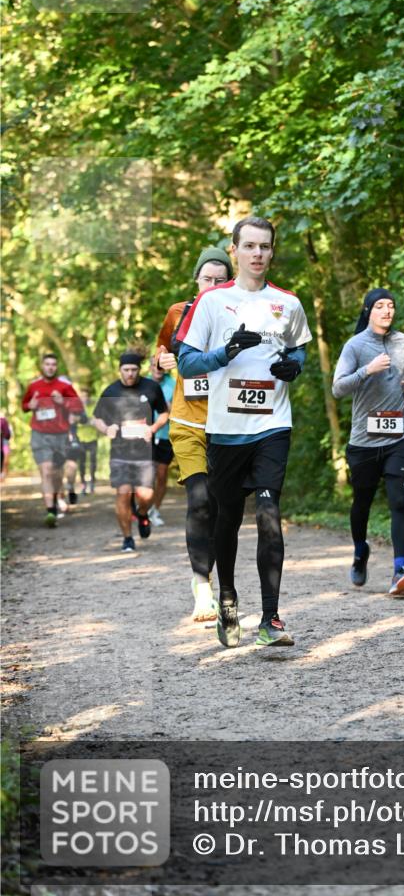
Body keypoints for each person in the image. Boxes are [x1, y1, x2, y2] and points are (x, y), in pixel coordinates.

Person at [177, 216, 312, 647]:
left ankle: (270, 619)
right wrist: (227, 352)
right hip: (225, 431)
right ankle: (229, 600)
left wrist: (294, 366)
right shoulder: (213, 302)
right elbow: (187, 362)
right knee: (228, 520)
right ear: (234, 251)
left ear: (273, 251)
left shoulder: (288, 303)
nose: (258, 254)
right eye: (250, 246)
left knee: (270, 516)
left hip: (273, 424)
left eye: (265, 246)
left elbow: (298, 349)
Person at [154, 245, 233, 621]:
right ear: (197, 280)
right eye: (207, 279)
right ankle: (202, 586)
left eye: (221, 280)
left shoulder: (240, 314)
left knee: (217, 507)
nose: (213, 285)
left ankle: (210, 576)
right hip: (187, 423)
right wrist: (162, 359)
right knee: (199, 500)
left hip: (228, 424)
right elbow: (161, 347)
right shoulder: (179, 313)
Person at [332, 289, 404, 596]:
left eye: (391, 306)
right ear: (368, 310)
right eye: (380, 306)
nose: (387, 311)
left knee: (400, 502)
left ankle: (400, 571)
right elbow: (338, 387)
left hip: (401, 436)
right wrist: (366, 370)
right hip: (364, 441)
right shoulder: (355, 345)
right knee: (362, 503)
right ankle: (360, 550)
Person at [92, 352, 169, 552]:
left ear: (139, 370)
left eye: (134, 370)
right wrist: (106, 429)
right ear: (119, 370)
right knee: (123, 494)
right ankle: (127, 538)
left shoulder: (151, 388)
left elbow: (164, 413)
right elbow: (97, 418)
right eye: (126, 370)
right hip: (120, 452)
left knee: (145, 495)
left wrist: (152, 429)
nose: (130, 374)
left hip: (144, 452)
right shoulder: (110, 391)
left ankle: (143, 514)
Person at [21, 353, 83, 526]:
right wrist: (29, 406)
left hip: (60, 435)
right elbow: (24, 405)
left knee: (57, 473)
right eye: (47, 364)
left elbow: (78, 407)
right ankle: (50, 511)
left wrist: (63, 401)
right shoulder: (34, 386)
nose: (50, 367)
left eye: (53, 364)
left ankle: (56, 499)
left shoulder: (64, 386)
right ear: (42, 366)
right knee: (46, 471)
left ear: (57, 367)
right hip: (40, 434)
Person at [148, 357, 176, 527]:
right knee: (146, 474)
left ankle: (154, 510)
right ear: (150, 367)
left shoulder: (173, 383)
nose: (158, 368)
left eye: (161, 365)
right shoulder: (141, 382)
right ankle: (143, 506)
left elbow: (175, 408)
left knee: (161, 475)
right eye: (155, 365)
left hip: (165, 435)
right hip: (145, 435)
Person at [75, 389, 99, 494]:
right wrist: (87, 421)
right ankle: (83, 486)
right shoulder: (76, 409)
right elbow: (74, 421)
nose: (84, 398)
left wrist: (87, 421)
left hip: (93, 439)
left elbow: (96, 421)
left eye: (86, 396)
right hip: (80, 439)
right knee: (82, 464)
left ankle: (92, 483)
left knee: (93, 462)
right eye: (82, 396)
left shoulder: (93, 408)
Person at [0, 414, 12, 482]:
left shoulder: (3, 421)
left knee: (5, 461)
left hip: (4, 443)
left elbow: (7, 435)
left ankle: (3, 475)